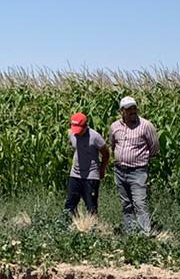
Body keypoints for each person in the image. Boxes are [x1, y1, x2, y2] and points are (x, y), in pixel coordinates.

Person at [107, 96, 160, 234]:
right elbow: (112, 144)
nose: (132, 111)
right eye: (128, 109)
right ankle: (130, 233)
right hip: (120, 171)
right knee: (126, 204)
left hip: (138, 171)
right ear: (121, 111)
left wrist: (142, 159)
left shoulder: (145, 126)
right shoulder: (115, 126)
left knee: (140, 203)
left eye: (134, 108)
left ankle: (145, 234)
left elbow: (154, 147)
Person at [65, 112, 110, 218]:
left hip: (91, 175)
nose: (77, 133)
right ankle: (69, 225)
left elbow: (106, 153)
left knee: (91, 207)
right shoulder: (71, 133)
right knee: (69, 206)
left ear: (86, 126)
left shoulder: (95, 137)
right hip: (75, 174)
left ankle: (92, 226)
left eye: (80, 130)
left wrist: (102, 169)